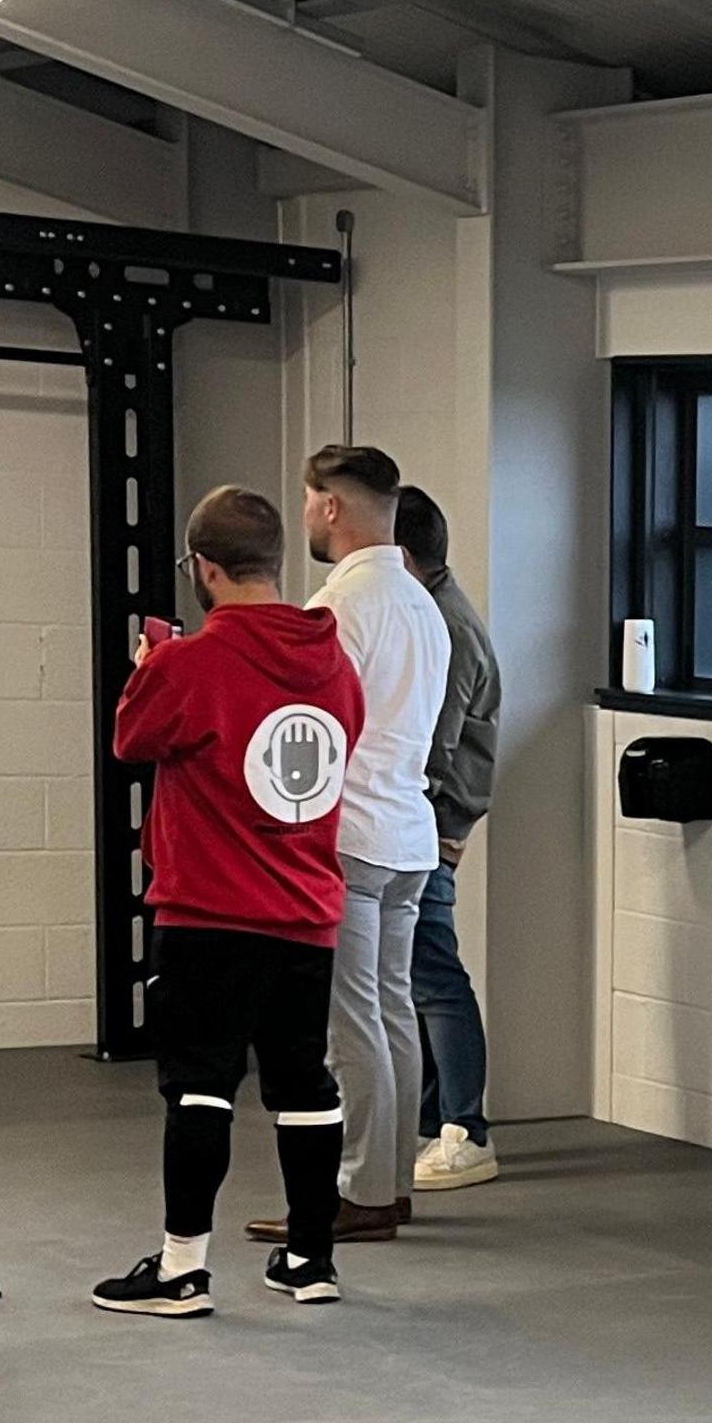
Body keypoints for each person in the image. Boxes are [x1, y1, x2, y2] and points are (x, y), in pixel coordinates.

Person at [95, 486, 364, 1313]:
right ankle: (310, 1260)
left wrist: (149, 670)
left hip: (210, 912)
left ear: (203, 568)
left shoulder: (189, 662)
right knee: (305, 1084)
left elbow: (130, 740)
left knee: (202, 1085)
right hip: (308, 911)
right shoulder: (336, 664)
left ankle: (181, 1266)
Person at [254, 444, 444, 1249]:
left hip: (353, 835)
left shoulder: (339, 607)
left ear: (330, 506)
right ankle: (391, 1182)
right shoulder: (422, 605)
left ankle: (360, 1191)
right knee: (393, 1008)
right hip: (408, 832)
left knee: (352, 1021)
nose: (304, 515)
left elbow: (314, 728)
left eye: (307, 501)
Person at [393, 485, 500, 1192]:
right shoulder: (432, 611)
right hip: (425, 819)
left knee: (434, 973)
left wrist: (429, 820)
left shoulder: (446, 626)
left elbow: (440, 738)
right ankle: (439, 1123)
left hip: (429, 821)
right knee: (416, 973)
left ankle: (466, 1128)